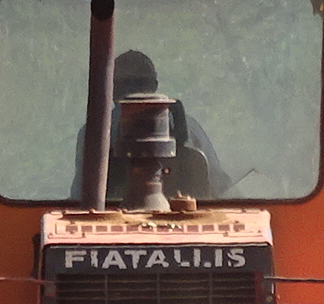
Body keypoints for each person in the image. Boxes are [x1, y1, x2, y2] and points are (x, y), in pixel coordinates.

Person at [82, 49, 233, 201]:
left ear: (111, 89)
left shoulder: (94, 132)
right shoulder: (190, 127)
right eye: (127, 84)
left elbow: (82, 193)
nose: (135, 92)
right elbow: (219, 187)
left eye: (140, 83)